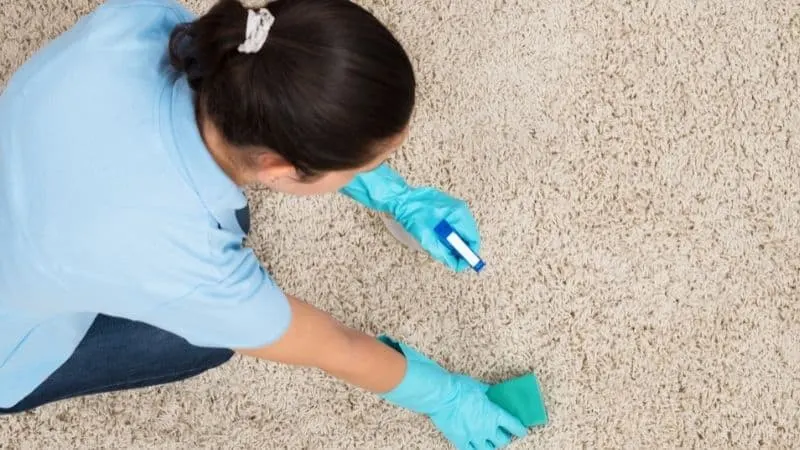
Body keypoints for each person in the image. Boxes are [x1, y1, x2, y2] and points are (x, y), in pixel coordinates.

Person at [0, 0, 527, 448]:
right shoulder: (196, 266)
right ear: (280, 168)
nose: (369, 173)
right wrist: (448, 397)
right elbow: (336, 347)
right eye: (360, 168)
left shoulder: (144, 21)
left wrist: (395, 196)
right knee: (206, 342)